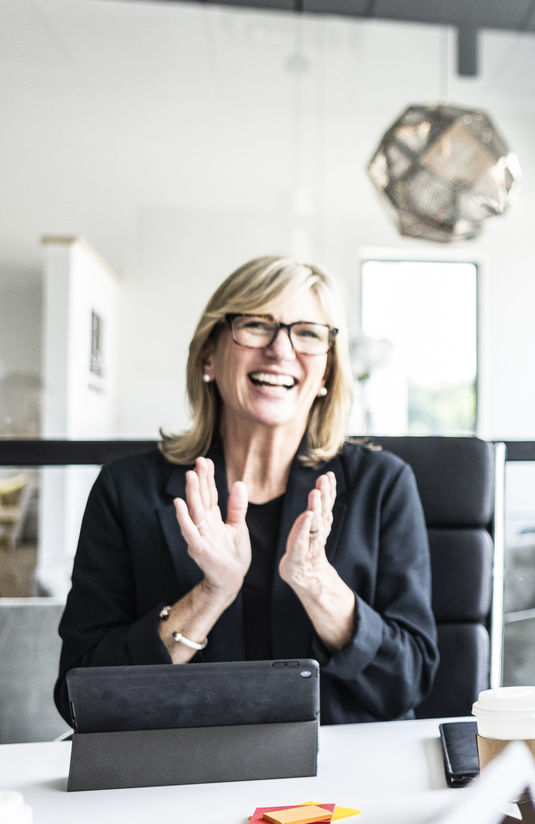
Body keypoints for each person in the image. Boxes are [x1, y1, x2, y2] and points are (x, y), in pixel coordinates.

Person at [55, 256, 438, 725]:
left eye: (309, 333)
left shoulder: (384, 485)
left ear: (327, 375)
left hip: (341, 780)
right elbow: (80, 695)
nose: (280, 350)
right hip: (183, 776)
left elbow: (409, 680)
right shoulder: (126, 490)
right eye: (257, 325)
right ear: (209, 357)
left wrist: (318, 585)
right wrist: (211, 594)